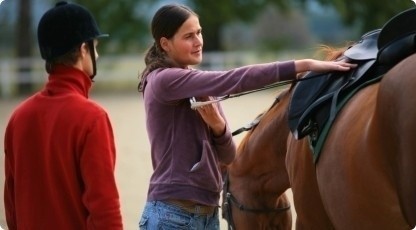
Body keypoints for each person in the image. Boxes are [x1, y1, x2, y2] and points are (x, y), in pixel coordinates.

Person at [137, 4, 355, 230]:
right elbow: (233, 78)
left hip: (208, 217)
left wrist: (219, 127)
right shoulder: (162, 80)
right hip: (171, 217)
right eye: (188, 36)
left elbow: (229, 155)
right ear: (165, 44)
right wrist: (304, 65)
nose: (198, 41)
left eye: (199, 32)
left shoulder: (200, 88)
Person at [3, 1, 123, 229]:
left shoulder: (18, 117)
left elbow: (11, 203)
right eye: (94, 47)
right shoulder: (92, 118)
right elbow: (104, 209)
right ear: (83, 49)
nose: (96, 54)